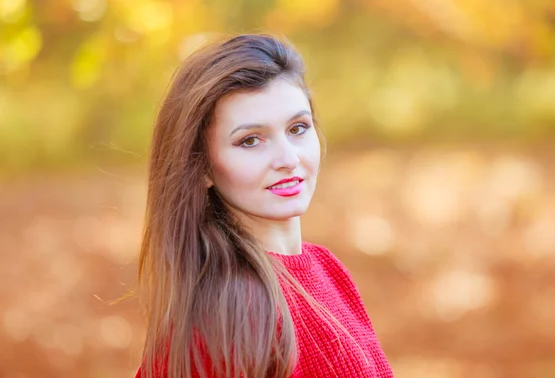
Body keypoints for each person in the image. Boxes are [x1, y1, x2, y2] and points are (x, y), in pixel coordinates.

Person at [134, 34, 394, 378]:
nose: (288, 158)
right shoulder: (229, 313)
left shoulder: (327, 269)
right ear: (202, 167)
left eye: (298, 128)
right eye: (250, 140)